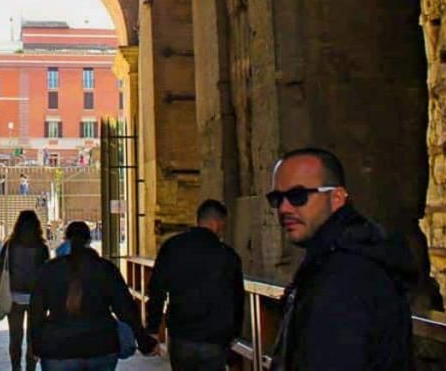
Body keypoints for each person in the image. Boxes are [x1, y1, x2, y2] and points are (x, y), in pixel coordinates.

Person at [267, 148, 416, 370]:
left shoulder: (344, 277)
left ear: (336, 197)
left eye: (298, 196)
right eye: (276, 198)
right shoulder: (336, 259)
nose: (284, 208)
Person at [30, 221, 157, 370]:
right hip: (101, 346)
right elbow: (125, 309)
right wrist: (144, 341)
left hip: (58, 347)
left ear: (66, 239)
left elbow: (36, 311)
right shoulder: (106, 268)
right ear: (89, 240)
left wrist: (36, 344)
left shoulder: (50, 270)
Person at [145, 200, 244, 370]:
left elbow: (156, 289)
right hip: (215, 339)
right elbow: (238, 298)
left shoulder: (172, 247)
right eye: (223, 225)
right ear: (215, 223)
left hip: (181, 336)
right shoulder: (228, 256)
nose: (222, 230)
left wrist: (153, 328)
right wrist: (235, 332)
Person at [0, 211, 51, 371]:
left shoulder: (10, 246)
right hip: (36, 298)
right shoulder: (41, 247)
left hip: (14, 296)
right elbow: (47, 273)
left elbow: (1, 270)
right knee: (33, 338)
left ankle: (15, 367)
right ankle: (31, 368)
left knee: (15, 337)